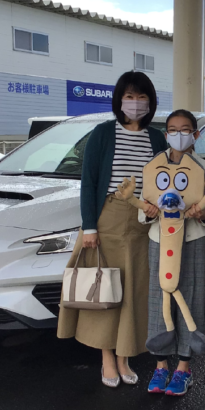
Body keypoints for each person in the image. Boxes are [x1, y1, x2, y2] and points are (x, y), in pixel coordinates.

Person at [57, 71, 167, 388]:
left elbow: (163, 181)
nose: (135, 103)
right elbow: (89, 183)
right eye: (129, 97)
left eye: (141, 97)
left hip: (144, 222)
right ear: (119, 100)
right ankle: (107, 357)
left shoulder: (156, 138)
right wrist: (90, 227)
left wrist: (158, 205)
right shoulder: (104, 133)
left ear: (150, 102)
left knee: (133, 292)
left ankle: (124, 355)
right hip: (108, 220)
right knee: (104, 288)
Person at [140, 110, 205, 396]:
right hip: (160, 239)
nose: (179, 135)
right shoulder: (154, 167)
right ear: (166, 135)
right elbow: (144, 204)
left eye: (185, 130)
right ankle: (161, 365)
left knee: (190, 296)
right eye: (173, 130)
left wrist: (202, 214)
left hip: (192, 241)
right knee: (158, 298)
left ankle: (183, 369)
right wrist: (149, 212)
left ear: (195, 135)